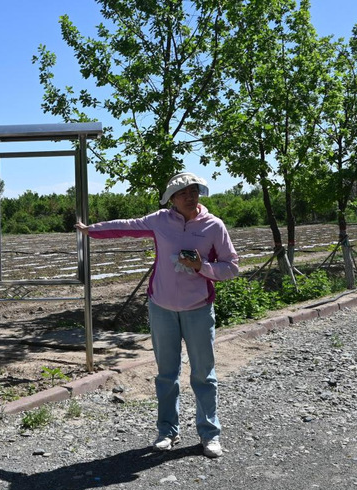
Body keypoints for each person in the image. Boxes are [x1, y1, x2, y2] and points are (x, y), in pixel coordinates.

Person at [75, 172, 239, 459]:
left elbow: (231, 267)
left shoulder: (214, 225)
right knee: (166, 375)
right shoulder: (160, 221)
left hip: (198, 308)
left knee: (203, 374)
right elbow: (127, 226)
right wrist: (92, 230)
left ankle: (209, 434)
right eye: (182, 193)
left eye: (194, 191)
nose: (190, 196)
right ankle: (167, 431)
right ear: (171, 199)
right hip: (162, 307)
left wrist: (202, 267)